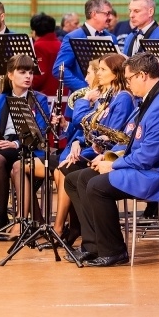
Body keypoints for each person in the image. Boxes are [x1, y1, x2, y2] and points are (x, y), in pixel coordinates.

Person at [63, 52, 159, 266]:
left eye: (130, 78)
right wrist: (107, 155)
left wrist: (113, 164)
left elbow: (147, 157)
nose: (128, 83)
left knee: (96, 186)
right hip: (148, 166)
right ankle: (93, 245)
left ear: (142, 75)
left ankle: (113, 250)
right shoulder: (153, 99)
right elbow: (134, 142)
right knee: (77, 179)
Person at [0, 54, 50, 237]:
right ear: (10, 75)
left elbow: (40, 131)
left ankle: (1, 216)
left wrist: (15, 143)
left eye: (30, 72)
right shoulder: (1, 99)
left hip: (24, 146)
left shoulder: (39, 99)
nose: (28, 76)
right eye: (22, 72)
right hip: (1, 141)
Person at [52, 59, 101, 245]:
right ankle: (70, 225)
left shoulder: (94, 98)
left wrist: (84, 101)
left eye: (89, 72)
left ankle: (64, 226)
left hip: (90, 150)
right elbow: (75, 129)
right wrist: (64, 124)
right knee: (59, 169)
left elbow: (85, 124)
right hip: (76, 147)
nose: (86, 77)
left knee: (64, 171)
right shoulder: (84, 95)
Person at [53, 0, 117, 91]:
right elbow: (59, 69)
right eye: (107, 14)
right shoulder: (72, 37)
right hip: (82, 99)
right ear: (94, 14)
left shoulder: (112, 38)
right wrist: (85, 88)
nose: (110, 17)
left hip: (107, 99)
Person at [29, 12, 61, 96]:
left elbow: (40, 75)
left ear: (34, 31)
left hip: (44, 96)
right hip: (61, 94)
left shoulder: (39, 46)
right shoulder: (60, 44)